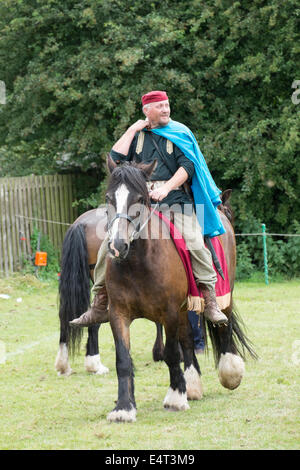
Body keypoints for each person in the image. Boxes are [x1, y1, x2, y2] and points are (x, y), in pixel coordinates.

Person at [71, 90, 228, 327]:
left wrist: (166, 189)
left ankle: (210, 300)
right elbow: (115, 157)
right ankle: (100, 302)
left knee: (195, 241)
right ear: (147, 110)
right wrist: (132, 129)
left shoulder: (180, 132)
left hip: (176, 202)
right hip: (141, 204)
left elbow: (188, 166)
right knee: (108, 241)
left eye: (167, 105)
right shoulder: (138, 135)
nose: (166, 109)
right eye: (160, 106)